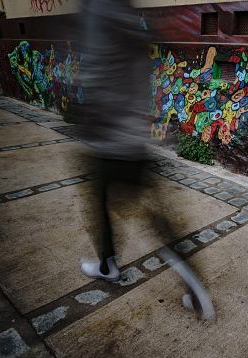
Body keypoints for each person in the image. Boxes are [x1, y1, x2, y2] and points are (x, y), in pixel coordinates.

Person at [76, 0, 215, 321]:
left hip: (107, 137)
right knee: (151, 217)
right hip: (134, 138)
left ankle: (109, 264)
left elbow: (97, 69)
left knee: (102, 205)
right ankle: (192, 284)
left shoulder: (98, 10)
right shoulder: (132, 18)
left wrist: (88, 114)